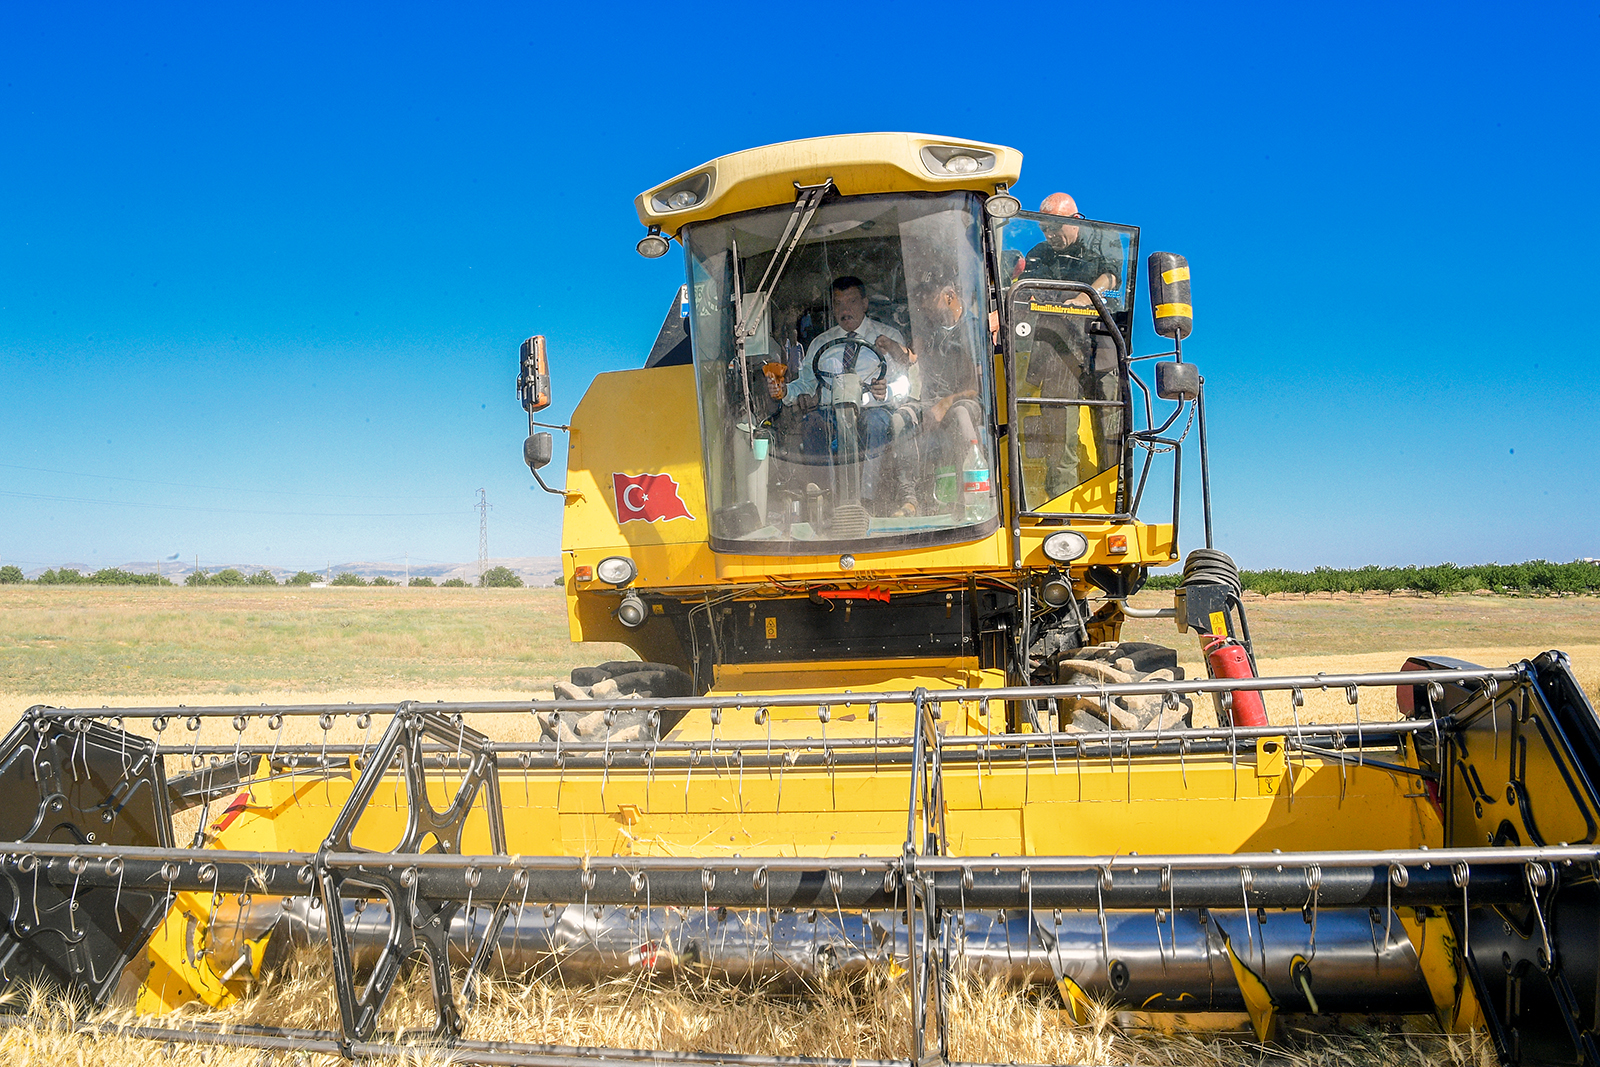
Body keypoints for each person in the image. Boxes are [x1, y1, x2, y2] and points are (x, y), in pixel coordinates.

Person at [766, 276, 917, 514]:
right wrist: (784, 391)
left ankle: (868, 499)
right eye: (838, 304)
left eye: (852, 302)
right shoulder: (821, 343)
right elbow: (805, 384)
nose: (845, 310)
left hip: (871, 409)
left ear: (865, 304)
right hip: (831, 413)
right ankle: (825, 499)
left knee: (876, 423)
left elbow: (905, 382)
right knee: (813, 423)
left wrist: (887, 391)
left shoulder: (887, 337)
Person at [1020, 193, 1123, 500]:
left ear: (1075, 220)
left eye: (1055, 227)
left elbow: (1113, 275)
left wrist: (1085, 296)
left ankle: (1114, 498)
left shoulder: (1104, 237)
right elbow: (1021, 290)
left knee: (1110, 425)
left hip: (1099, 346)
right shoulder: (1039, 254)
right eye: (1044, 229)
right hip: (1055, 350)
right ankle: (1059, 502)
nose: (1050, 235)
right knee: (1058, 432)